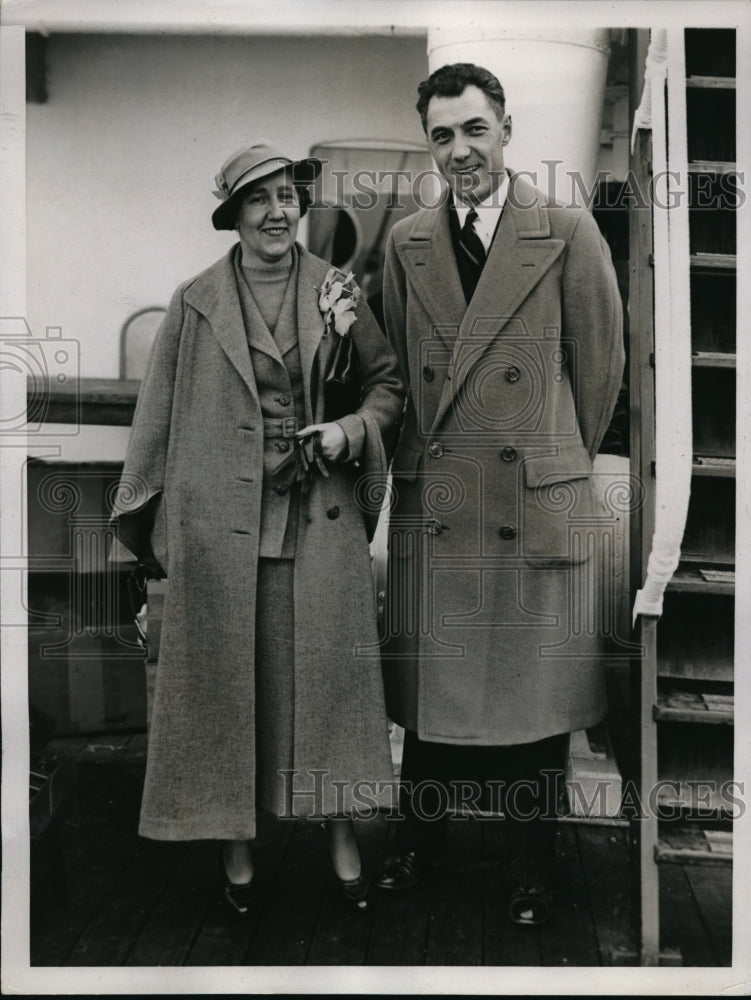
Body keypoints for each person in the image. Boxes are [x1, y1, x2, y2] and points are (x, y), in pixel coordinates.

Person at [111, 140, 404, 915]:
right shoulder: (194, 302)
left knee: (330, 687)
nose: (278, 212)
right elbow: (158, 418)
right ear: (233, 216)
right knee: (227, 688)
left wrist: (349, 430)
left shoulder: (336, 288)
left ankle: (342, 834)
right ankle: (233, 842)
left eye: (287, 196)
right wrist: (153, 532)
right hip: (220, 523)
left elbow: (387, 387)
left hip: (321, 521)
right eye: (258, 199)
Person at [376, 63, 624, 925]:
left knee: (533, 701)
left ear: (506, 129)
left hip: (530, 496)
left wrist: (555, 457)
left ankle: (531, 867)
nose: (459, 151)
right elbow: (402, 373)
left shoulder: (564, 228)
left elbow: (599, 375)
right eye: (441, 135)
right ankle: (417, 847)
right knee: (430, 699)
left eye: (473, 130)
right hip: (442, 497)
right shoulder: (405, 240)